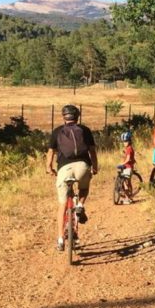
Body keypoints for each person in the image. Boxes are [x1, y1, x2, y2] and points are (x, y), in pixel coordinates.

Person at [46, 104, 98, 252]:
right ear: (77, 117)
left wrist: (49, 168)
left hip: (64, 169)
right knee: (84, 188)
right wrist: (94, 167)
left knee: (62, 205)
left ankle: (61, 239)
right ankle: (80, 205)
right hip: (82, 166)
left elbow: (50, 153)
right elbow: (92, 151)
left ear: (64, 117)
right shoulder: (85, 130)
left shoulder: (57, 131)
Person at [117, 131, 136, 204]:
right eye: (123, 141)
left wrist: (122, 163)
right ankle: (128, 196)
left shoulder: (129, 149)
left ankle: (129, 198)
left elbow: (128, 159)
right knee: (126, 183)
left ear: (129, 141)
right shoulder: (127, 148)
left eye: (126, 141)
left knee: (126, 183)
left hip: (128, 167)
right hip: (125, 167)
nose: (124, 143)